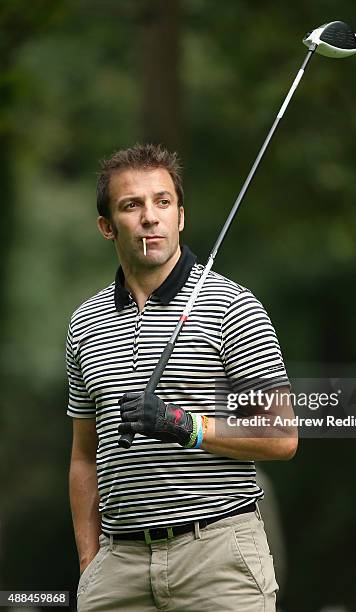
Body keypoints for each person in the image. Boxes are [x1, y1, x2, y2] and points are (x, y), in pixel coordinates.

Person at [67, 143, 297, 612]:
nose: (150, 217)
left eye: (162, 202)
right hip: (119, 567)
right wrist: (90, 562)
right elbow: (83, 458)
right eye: (132, 205)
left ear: (181, 217)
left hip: (216, 558)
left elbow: (282, 435)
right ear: (107, 227)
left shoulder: (232, 305)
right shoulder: (84, 324)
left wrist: (182, 424)